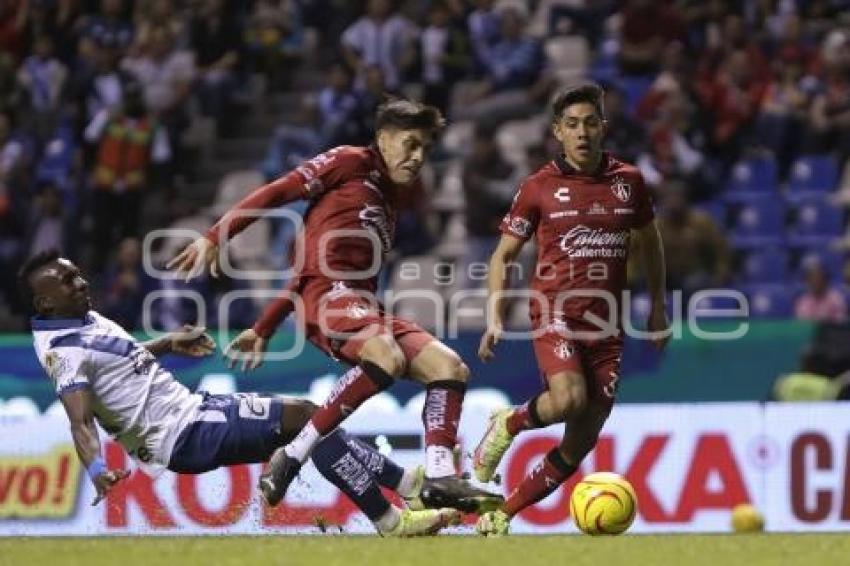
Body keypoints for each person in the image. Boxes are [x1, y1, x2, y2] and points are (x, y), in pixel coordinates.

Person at [168, 99, 503, 513]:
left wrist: (264, 327)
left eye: (425, 150)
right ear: (382, 139)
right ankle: (291, 455)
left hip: (361, 305)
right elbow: (276, 193)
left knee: (450, 367)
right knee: (386, 354)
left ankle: (438, 475)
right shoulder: (348, 162)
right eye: (409, 144)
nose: (417, 158)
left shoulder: (393, 199)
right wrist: (217, 235)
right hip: (327, 299)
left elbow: (305, 266)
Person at [20, 250, 459, 537]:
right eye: (67, 281)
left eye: (77, 274)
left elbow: (119, 363)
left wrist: (167, 344)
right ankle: (391, 515)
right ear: (45, 303)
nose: (80, 284)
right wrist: (96, 466)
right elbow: (79, 418)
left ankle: (405, 488)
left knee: (307, 421)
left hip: (194, 410)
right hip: (182, 433)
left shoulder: (82, 320)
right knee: (308, 419)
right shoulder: (61, 351)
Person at [472, 84, 669, 536]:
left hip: (609, 325)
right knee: (569, 400)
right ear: (558, 132)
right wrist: (495, 317)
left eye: (590, 122)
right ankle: (509, 421)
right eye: (572, 125)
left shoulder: (630, 182)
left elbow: (651, 244)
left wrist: (657, 307)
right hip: (555, 312)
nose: (582, 132)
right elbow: (502, 256)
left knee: (581, 440)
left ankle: (503, 513)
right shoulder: (539, 187)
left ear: (604, 127)